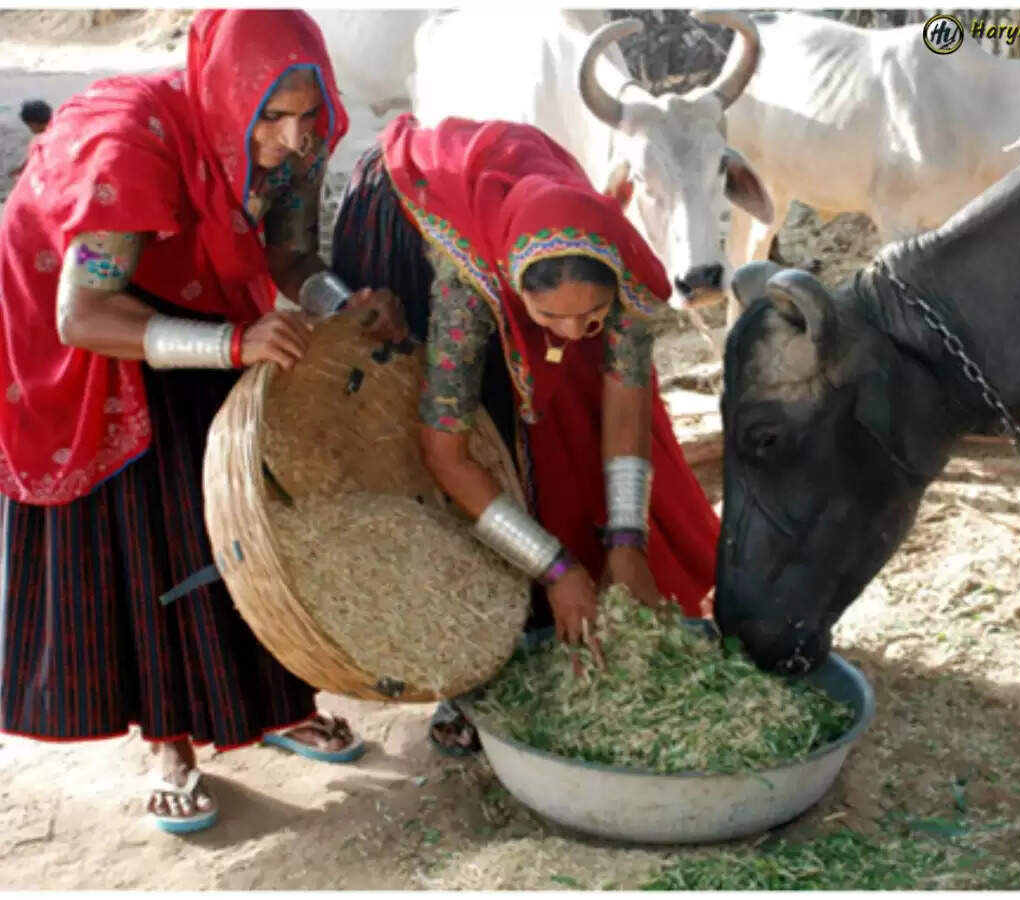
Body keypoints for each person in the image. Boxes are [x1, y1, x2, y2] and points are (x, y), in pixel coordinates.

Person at [0, 10, 401, 834]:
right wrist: (229, 344)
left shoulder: (297, 139)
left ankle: (273, 705)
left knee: (234, 512)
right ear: (229, 96)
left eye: (305, 113)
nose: (292, 138)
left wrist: (341, 302)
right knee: (147, 522)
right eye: (273, 116)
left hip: (206, 312)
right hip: (93, 327)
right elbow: (81, 314)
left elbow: (291, 259)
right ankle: (170, 742)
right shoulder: (128, 148)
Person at [330, 115, 721, 753]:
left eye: (592, 317)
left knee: (570, 396)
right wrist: (556, 567)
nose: (571, 335)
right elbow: (444, 452)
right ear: (512, 291)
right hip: (416, 207)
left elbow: (625, 403)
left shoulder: (621, 272)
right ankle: (467, 670)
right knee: (477, 422)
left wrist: (627, 542)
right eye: (549, 319)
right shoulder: (465, 285)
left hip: (530, 198)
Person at [7, 99, 53, 178]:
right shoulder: (59, 127)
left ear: (33, 124)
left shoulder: (41, 141)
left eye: (29, 126)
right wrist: (21, 168)